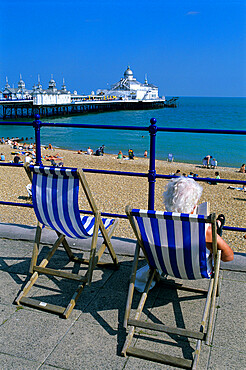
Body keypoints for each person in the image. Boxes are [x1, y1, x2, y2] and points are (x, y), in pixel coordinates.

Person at [163, 177, 234, 262]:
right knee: (211, 233)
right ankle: (217, 226)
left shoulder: (155, 223)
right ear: (193, 205)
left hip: (164, 264)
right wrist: (212, 250)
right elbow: (228, 257)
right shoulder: (202, 229)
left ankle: (217, 225)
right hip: (195, 270)